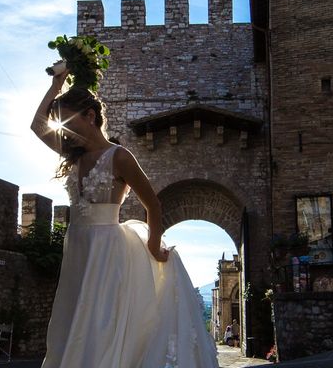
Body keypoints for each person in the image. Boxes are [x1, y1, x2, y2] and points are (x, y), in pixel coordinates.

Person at [32, 70, 219, 367]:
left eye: (70, 121)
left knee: (103, 323)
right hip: (77, 248)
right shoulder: (74, 155)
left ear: (90, 116)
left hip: (107, 248)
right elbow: (37, 125)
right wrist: (56, 85)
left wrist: (154, 247)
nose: (64, 131)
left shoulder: (119, 156)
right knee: (72, 320)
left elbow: (153, 205)